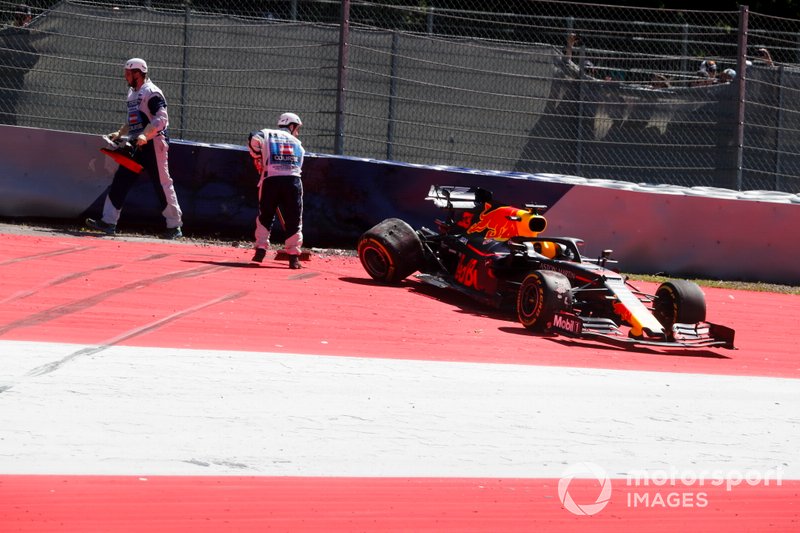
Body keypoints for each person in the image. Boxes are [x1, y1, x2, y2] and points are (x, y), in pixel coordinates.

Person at [86, 58, 183, 239]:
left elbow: (161, 119)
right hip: (137, 145)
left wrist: (145, 136)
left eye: (128, 73)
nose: (125, 76)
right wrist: (120, 132)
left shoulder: (151, 92)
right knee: (121, 179)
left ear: (138, 73)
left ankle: (174, 226)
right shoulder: (132, 93)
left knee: (162, 183)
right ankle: (108, 222)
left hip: (154, 144)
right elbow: (133, 120)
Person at [247, 112, 305, 269]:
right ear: (291, 126)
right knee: (294, 218)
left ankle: (260, 251)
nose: (297, 132)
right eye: (297, 128)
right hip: (292, 181)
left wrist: (258, 156)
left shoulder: (266, 134)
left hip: (270, 180)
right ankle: (293, 257)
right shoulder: (298, 144)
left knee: (265, 216)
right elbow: (299, 166)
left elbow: (253, 139)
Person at [0, 4, 39, 125]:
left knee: (7, 109)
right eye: (19, 16)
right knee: (7, 110)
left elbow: (31, 58)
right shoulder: (6, 34)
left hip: (12, 78)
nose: (21, 18)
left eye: (22, 16)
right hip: (10, 78)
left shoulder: (28, 36)